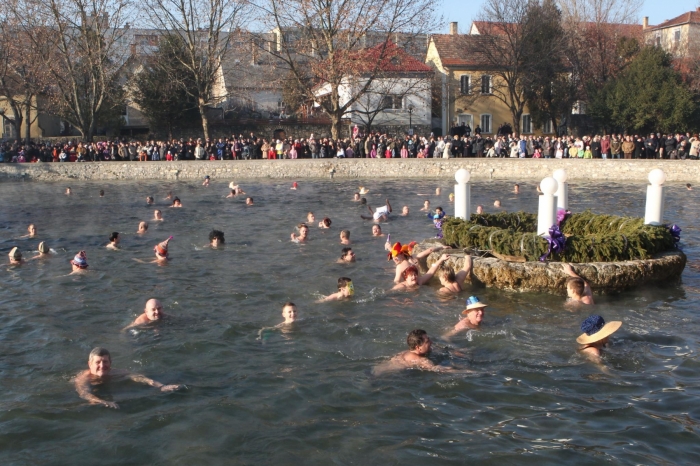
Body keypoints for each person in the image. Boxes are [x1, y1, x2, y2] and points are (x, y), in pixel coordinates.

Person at [74, 347, 180, 409]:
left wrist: (161, 386)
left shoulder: (117, 372)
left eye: (105, 362)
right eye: (98, 362)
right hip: (96, 392)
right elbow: (84, 394)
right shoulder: (82, 378)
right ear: (90, 364)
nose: (102, 366)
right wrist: (102, 402)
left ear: (110, 363)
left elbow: (140, 378)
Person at [373, 329, 463, 374]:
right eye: (427, 342)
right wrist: (466, 372)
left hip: (374, 370)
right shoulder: (421, 360)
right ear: (418, 347)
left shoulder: (404, 353)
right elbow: (437, 369)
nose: (431, 342)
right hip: (383, 377)